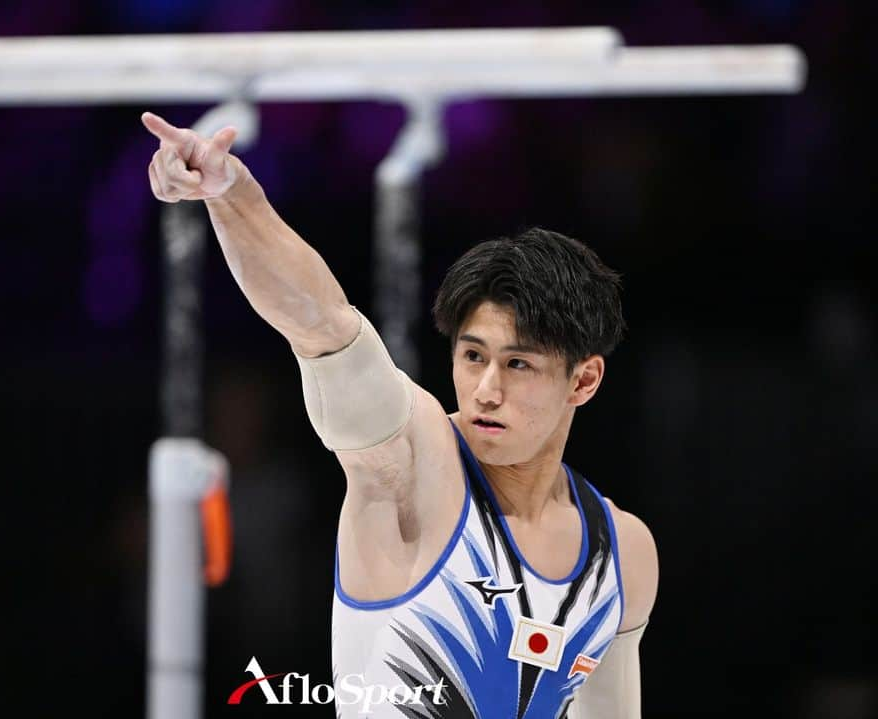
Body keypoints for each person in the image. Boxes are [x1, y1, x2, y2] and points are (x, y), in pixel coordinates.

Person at [142, 112, 658, 718]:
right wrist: (231, 193)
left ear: (584, 379)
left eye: (518, 365)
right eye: (472, 356)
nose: (486, 389)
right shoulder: (414, 461)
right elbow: (322, 325)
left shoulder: (622, 553)